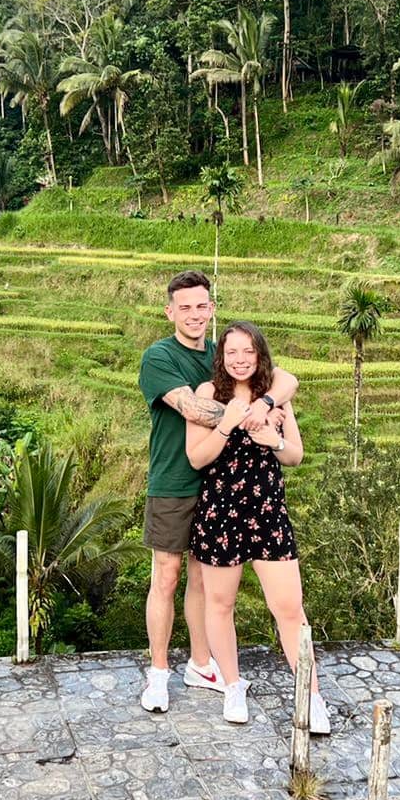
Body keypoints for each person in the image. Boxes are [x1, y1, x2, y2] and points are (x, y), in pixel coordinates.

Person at [137, 272, 297, 713]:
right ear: (170, 311)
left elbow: (285, 379)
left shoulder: (222, 353)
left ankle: (200, 663)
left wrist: (265, 403)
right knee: (166, 577)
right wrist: (248, 413)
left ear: (212, 309)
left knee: (204, 582)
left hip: (220, 490)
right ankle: (157, 674)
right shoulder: (159, 356)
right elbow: (190, 406)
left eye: (201, 305)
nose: (194, 314)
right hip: (174, 479)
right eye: (184, 307)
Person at [185, 321, 328, 733]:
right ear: (221, 356)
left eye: (248, 352)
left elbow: (296, 455)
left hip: (267, 511)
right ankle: (232, 685)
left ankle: (311, 695)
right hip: (220, 512)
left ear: (260, 354)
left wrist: (274, 441)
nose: (240, 360)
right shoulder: (208, 395)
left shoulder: (275, 396)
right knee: (220, 603)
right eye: (232, 352)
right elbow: (197, 458)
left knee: (289, 607)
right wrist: (228, 424)